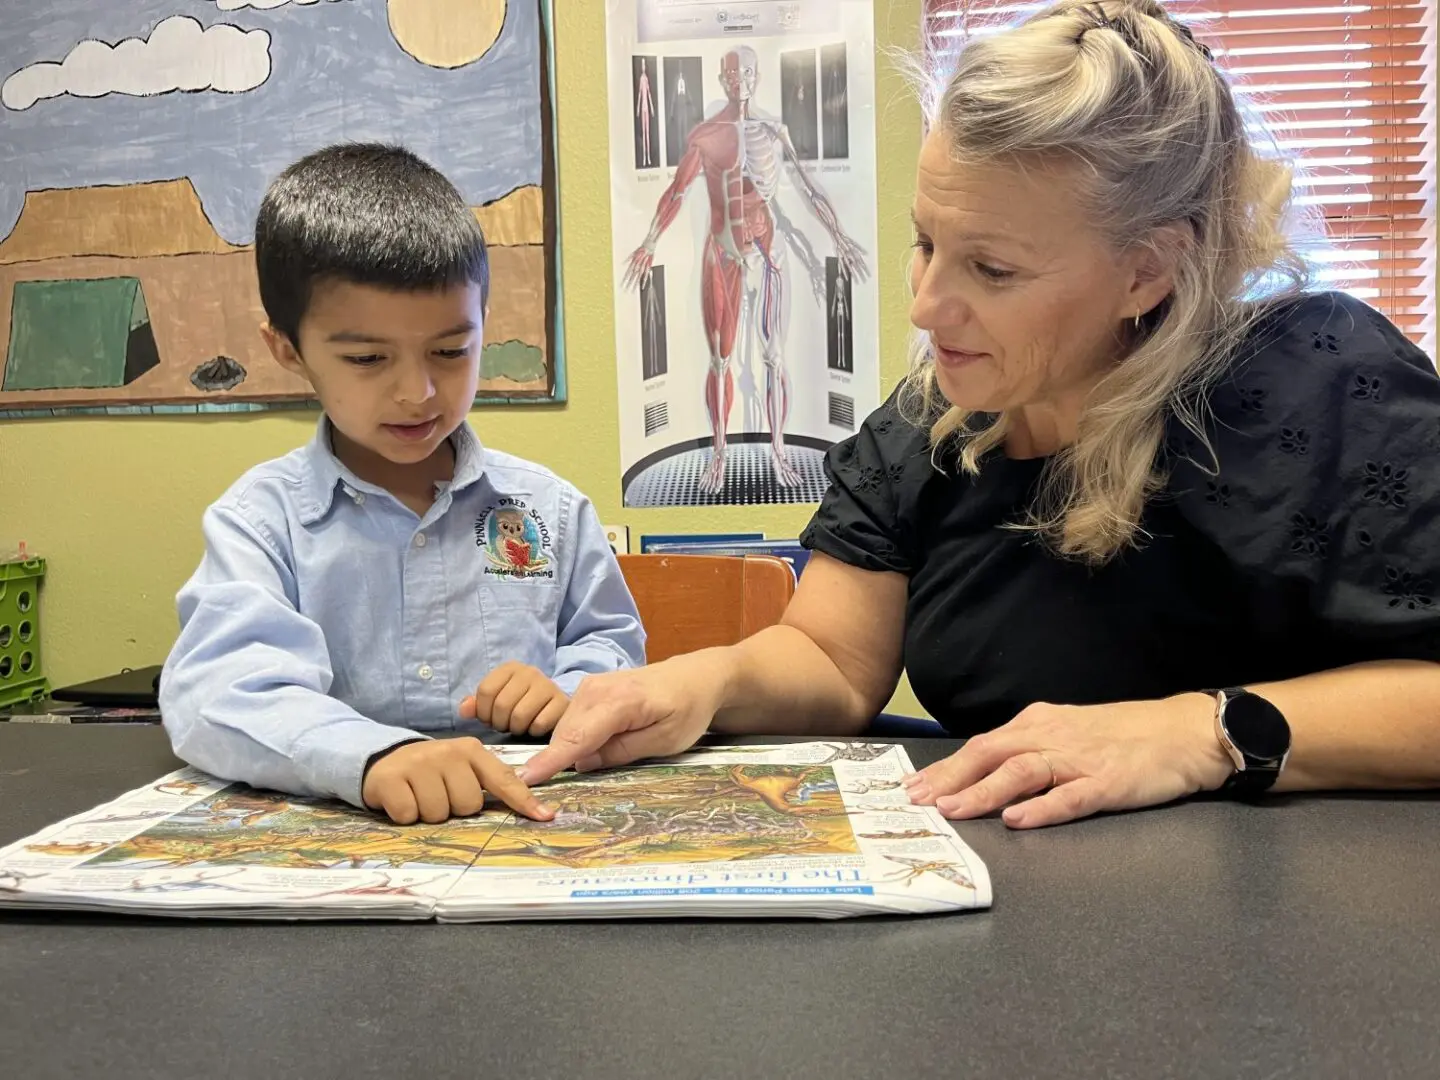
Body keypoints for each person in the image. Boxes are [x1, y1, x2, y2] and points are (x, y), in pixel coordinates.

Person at [522, 0, 1440, 827]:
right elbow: (834, 660)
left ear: (1147, 271)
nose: (924, 307)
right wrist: (703, 679)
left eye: (992, 270)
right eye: (928, 243)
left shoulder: (1322, 384)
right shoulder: (936, 419)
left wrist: (1196, 735)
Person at [160, 144, 645, 826]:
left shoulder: (549, 510)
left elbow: (611, 648)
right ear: (288, 350)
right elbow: (222, 690)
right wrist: (373, 755)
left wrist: (565, 690)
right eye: (366, 358)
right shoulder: (261, 521)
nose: (417, 392)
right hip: (346, 837)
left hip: (523, 829)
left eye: (451, 352)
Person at [624, 45, 870, 494]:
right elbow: (677, 193)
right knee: (719, 358)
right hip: (722, 251)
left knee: (774, 357)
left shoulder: (774, 131)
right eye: (733, 76)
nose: (740, 83)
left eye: (748, 74)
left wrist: (839, 236)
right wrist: (649, 242)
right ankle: (718, 452)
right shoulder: (705, 136)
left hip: (768, 250)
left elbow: (808, 187)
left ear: (756, 77)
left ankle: (777, 447)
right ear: (722, 79)